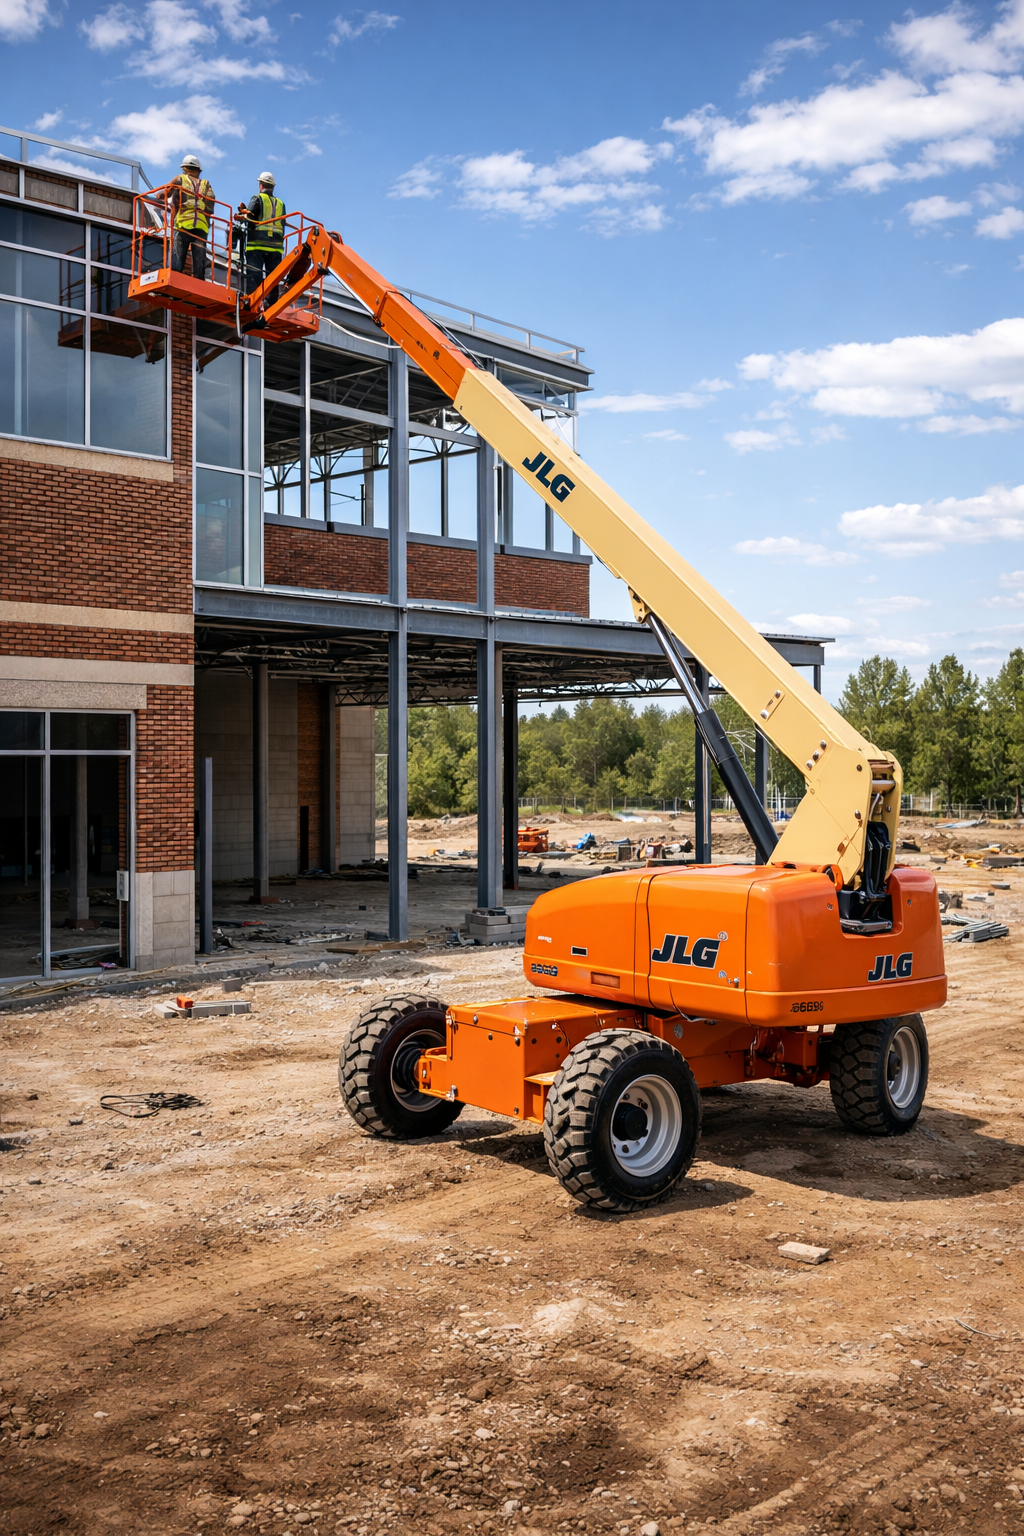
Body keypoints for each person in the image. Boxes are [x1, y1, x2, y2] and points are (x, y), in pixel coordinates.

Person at [169, 155, 214, 282]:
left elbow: (164, 192)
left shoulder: (180, 179)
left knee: (177, 259)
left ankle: (174, 281)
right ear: (198, 171)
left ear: (184, 168)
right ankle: (199, 283)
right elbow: (211, 205)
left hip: (183, 224)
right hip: (201, 227)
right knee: (199, 261)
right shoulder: (206, 184)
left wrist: (161, 197)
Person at [241, 171, 286, 296]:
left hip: (256, 246)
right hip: (276, 248)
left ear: (260, 185)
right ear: (273, 186)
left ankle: (253, 301)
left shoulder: (257, 199)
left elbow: (249, 219)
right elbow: (283, 225)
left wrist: (243, 216)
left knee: (254, 276)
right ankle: (271, 305)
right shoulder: (281, 204)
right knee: (273, 279)